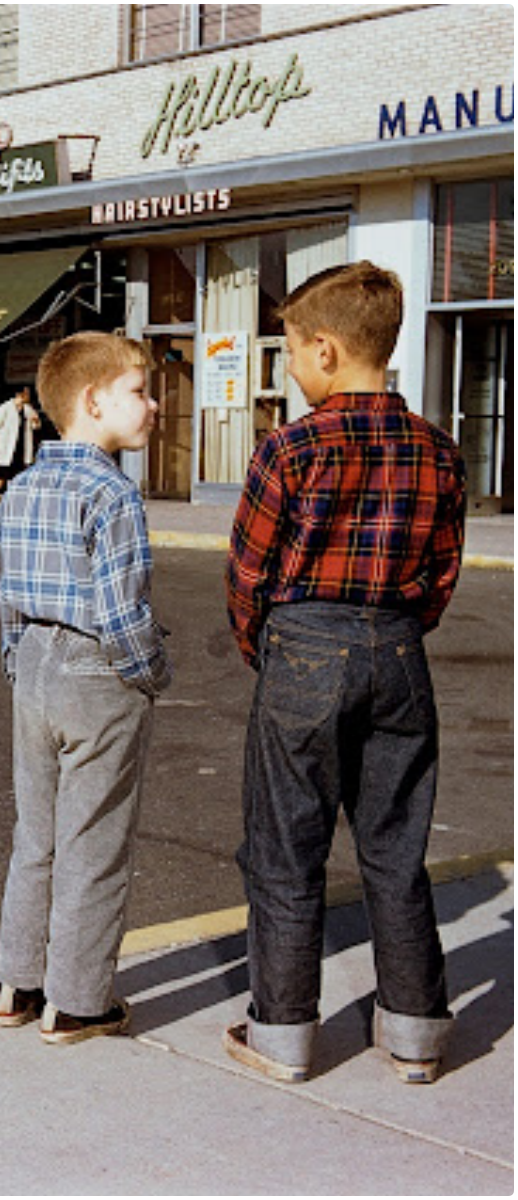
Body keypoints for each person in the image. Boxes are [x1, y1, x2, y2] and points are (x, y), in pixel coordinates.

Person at [225, 261, 467, 1084]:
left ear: (325, 350)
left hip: (303, 646)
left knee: (286, 846)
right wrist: (393, 630)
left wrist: (270, 646)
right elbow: (441, 574)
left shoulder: (288, 449)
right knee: (395, 847)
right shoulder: (440, 451)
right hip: (400, 649)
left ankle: (285, 1033)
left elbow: (248, 575)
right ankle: (416, 1033)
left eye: (290, 349)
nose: (288, 366)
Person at [0, 332, 172, 1044]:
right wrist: (151, 673)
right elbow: (123, 610)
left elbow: (8, 593)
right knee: (94, 841)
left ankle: (17, 983)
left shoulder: (26, 485)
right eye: (139, 392)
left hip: (33, 658)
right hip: (97, 666)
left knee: (34, 836)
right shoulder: (114, 492)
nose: (153, 406)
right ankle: (78, 1001)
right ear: (93, 401)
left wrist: (18, 660)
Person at [0, 386, 41, 502]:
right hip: (7, 444)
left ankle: (14, 493)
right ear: (20, 394)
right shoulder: (4, 408)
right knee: (4, 470)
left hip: (22, 443)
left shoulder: (28, 409)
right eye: (27, 393)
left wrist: (36, 421)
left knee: (19, 469)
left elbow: (36, 427)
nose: (28, 396)